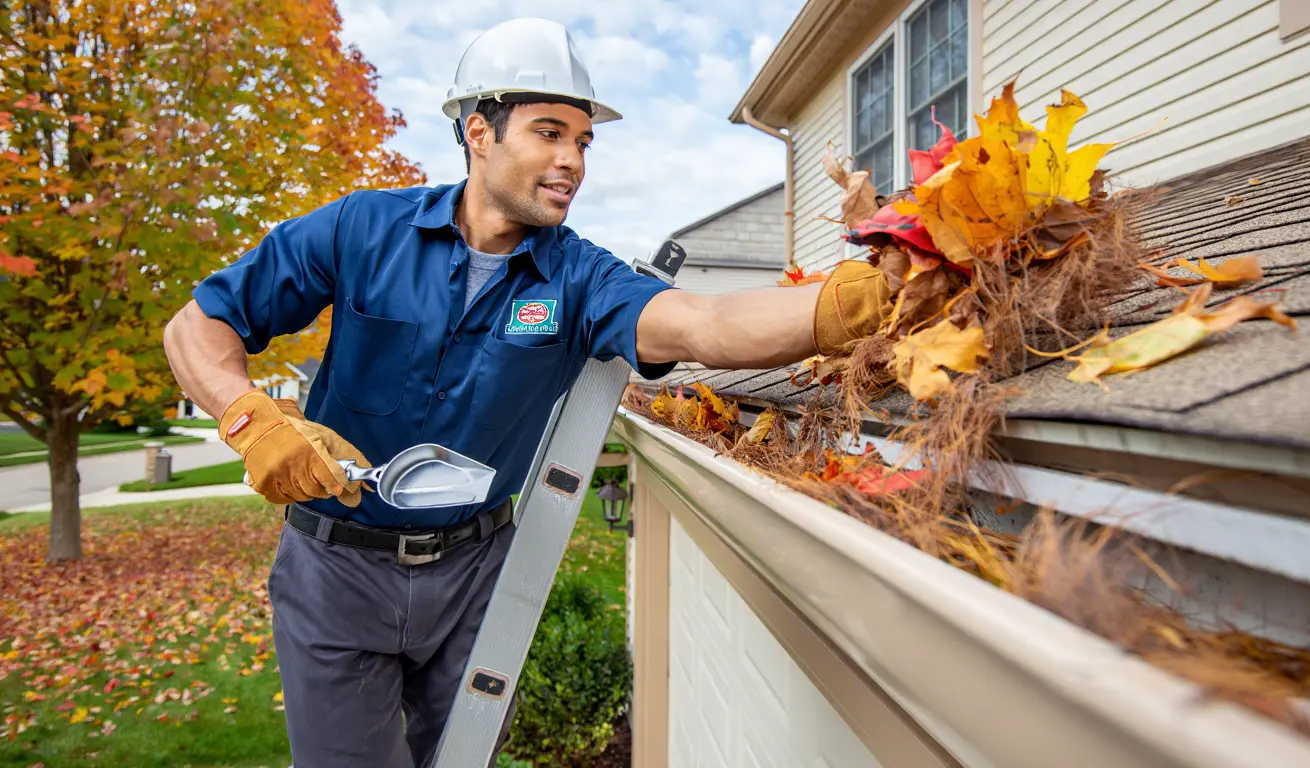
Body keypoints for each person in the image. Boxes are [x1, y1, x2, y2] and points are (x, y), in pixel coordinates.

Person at [162, 17, 888, 768]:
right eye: (549, 132)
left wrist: (857, 300)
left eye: (582, 141)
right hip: (335, 569)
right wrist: (248, 420)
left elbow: (707, 323)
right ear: (480, 132)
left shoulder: (579, 277)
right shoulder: (362, 229)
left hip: (477, 577)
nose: (572, 160)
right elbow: (200, 322)